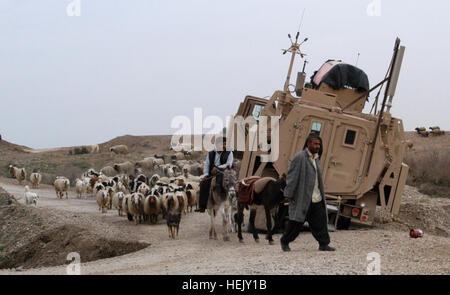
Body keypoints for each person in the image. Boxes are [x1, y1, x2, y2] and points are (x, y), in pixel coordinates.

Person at [280, 133, 336, 252]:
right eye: (315, 144)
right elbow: (292, 177)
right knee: (295, 223)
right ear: (308, 144)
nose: (318, 146)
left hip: (317, 197)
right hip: (303, 198)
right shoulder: (299, 157)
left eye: (319, 144)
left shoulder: (316, 158)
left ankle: (323, 244)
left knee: (320, 221)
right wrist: (288, 194)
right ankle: (285, 241)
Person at [195, 136, 233, 213]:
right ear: (217, 144)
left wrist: (218, 168)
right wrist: (206, 174)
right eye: (222, 144)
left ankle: (232, 201)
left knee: (227, 183)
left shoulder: (229, 152)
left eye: (225, 144)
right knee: (203, 183)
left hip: (224, 172)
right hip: (212, 173)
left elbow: (229, 163)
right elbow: (207, 165)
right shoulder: (211, 153)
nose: (224, 146)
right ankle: (202, 205)